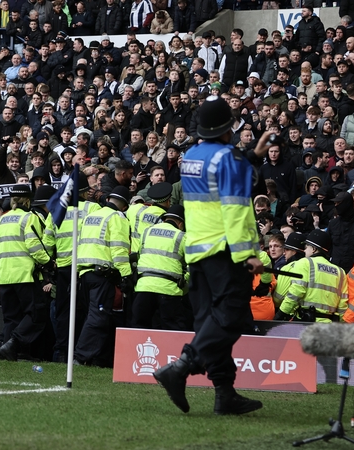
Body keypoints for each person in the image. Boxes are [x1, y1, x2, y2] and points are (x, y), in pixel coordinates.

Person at [153, 96, 264, 416]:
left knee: (208, 324)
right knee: (230, 318)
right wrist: (247, 253)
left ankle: (224, 393)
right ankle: (182, 366)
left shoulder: (191, 156)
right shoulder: (227, 158)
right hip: (225, 251)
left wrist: (250, 158)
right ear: (227, 130)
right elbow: (235, 208)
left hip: (197, 250)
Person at [0, 184, 53, 361]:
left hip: (4, 276)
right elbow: (34, 247)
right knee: (36, 314)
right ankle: (13, 345)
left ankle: (7, 351)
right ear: (28, 200)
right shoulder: (29, 218)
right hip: (25, 274)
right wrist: (48, 263)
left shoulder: (0, 220)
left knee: (12, 317)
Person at [73, 186, 132, 367]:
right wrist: (126, 275)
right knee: (97, 317)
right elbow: (119, 249)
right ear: (124, 207)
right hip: (102, 274)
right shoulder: (117, 218)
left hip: (84, 272)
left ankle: (95, 358)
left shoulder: (92, 216)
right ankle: (81, 357)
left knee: (93, 316)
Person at [50, 176, 100, 362]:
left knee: (63, 312)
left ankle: (61, 352)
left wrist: (50, 260)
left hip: (63, 269)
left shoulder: (56, 210)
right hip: (84, 267)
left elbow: (48, 240)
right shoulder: (92, 208)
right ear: (85, 192)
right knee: (87, 312)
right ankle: (82, 353)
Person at [131, 205, 192, 331]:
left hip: (144, 287)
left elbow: (140, 255)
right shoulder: (182, 236)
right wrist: (184, 280)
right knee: (172, 330)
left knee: (139, 328)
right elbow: (193, 264)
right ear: (181, 223)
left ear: (164, 219)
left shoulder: (147, 232)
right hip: (169, 290)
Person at [274, 230, 348, 322]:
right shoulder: (340, 272)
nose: (304, 250)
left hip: (306, 323)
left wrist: (281, 314)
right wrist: (342, 323)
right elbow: (343, 305)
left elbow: (296, 292)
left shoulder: (304, 263)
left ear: (313, 249)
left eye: (306, 247)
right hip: (329, 326)